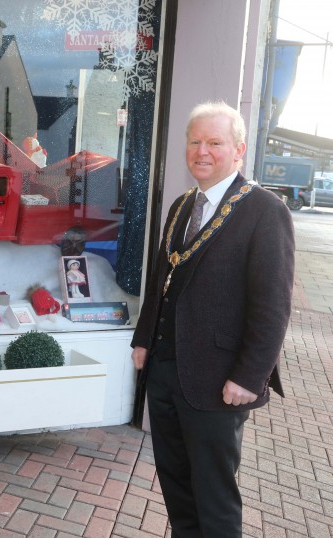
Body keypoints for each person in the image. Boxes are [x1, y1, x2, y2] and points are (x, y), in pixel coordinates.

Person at [131, 101, 294, 537]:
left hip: (220, 382)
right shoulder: (183, 205)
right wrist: (143, 339)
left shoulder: (265, 210)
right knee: (177, 488)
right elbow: (162, 278)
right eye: (195, 141)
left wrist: (249, 375)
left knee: (215, 497)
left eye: (215, 143)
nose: (202, 151)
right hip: (165, 372)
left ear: (238, 150)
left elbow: (273, 305)